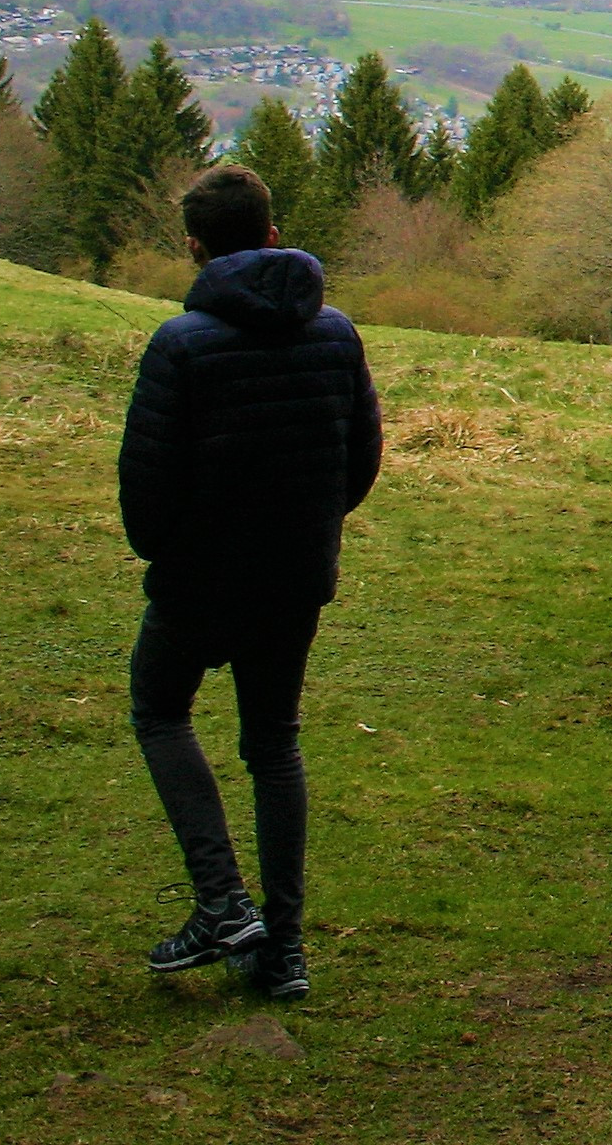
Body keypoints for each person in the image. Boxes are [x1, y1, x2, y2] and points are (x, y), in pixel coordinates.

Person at [118, 165, 382, 1002]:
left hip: (200, 578)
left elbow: (146, 492)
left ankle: (225, 905)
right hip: (295, 576)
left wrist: (172, 553)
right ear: (273, 231)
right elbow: (360, 461)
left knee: (161, 710)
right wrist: (308, 528)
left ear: (194, 245)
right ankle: (286, 948)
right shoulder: (335, 332)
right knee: (273, 743)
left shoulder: (181, 344)